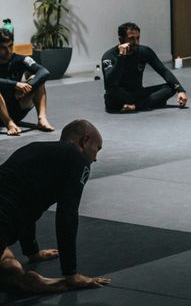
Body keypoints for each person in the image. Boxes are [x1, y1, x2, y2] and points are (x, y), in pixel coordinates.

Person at [0, 119, 111, 294]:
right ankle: (21, 281)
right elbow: (67, 214)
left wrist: (32, 252)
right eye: (97, 149)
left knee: (7, 259)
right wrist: (70, 274)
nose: (95, 158)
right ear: (85, 141)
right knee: (8, 267)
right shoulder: (77, 159)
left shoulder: (33, 148)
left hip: (6, 221)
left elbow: (26, 207)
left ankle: (18, 277)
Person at [99, 22, 188, 113]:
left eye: (138, 38)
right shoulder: (109, 56)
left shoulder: (144, 51)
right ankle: (146, 103)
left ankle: (135, 106)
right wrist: (121, 57)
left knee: (171, 87)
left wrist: (180, 90)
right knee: (113, 92)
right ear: (121, 39)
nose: (136, 42)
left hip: (137, 94)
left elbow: (163, 71)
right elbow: (110, 83)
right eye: (131, 39)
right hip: (117, 98)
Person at [0, 29, 55, 136]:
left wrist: (28, 87)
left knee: (37, 78)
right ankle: (9, 123)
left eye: (10, 46)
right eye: (3, 48)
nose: (8, 51)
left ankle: (42, 118)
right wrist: (15, 84)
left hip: (17, 109)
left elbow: (44, 72)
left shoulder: (20, 59)